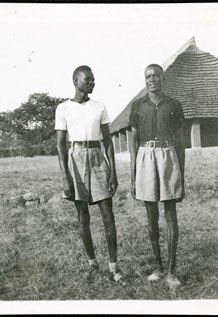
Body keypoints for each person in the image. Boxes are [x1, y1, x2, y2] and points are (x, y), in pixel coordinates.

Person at [55, 65, 123, 282]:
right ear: (76, 81)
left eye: (93, 80)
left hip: (97, 156)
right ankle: (93, 264)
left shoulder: (99, 107)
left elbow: (108, 141)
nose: (92, 83)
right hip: (76, 158)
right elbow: (60, 145)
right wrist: (65, 176)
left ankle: (114, 267)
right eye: (87, 79)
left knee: (108, 215)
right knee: (83, 216)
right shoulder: (63, 108)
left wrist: (112, 170)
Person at [129, 64, 185, 287]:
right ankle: (158, 267)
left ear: (163, 78)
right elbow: (133, 141)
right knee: (150, 214)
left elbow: (180, 142)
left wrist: (182, 172)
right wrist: (133, 173)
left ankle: (172, 270)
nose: (152, 79)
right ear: (145, 80)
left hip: (168, 156)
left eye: (156, 76)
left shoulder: (174, 104)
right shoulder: (137, 106)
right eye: (148, 76)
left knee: (170, 212)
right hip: (145, 157)